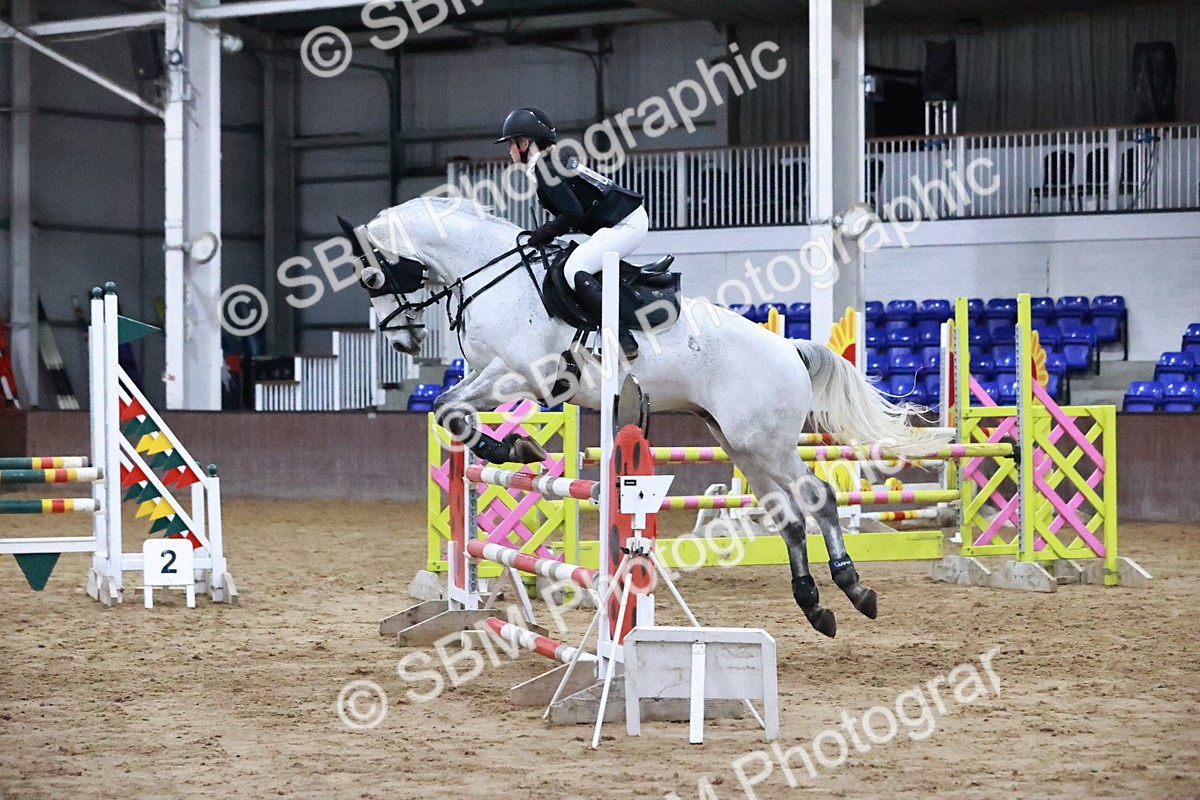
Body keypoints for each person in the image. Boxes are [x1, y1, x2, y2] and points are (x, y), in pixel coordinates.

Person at [495, 106, 646, 359]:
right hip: (617, 222)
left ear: (524, 143)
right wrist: (546, 232)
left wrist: (545, 233)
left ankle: (622, 340)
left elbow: (572, 214)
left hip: (627, 223)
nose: (508, 150)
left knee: (575, 268)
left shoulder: (547, 168)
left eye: (510, 143)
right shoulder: (547, 164)